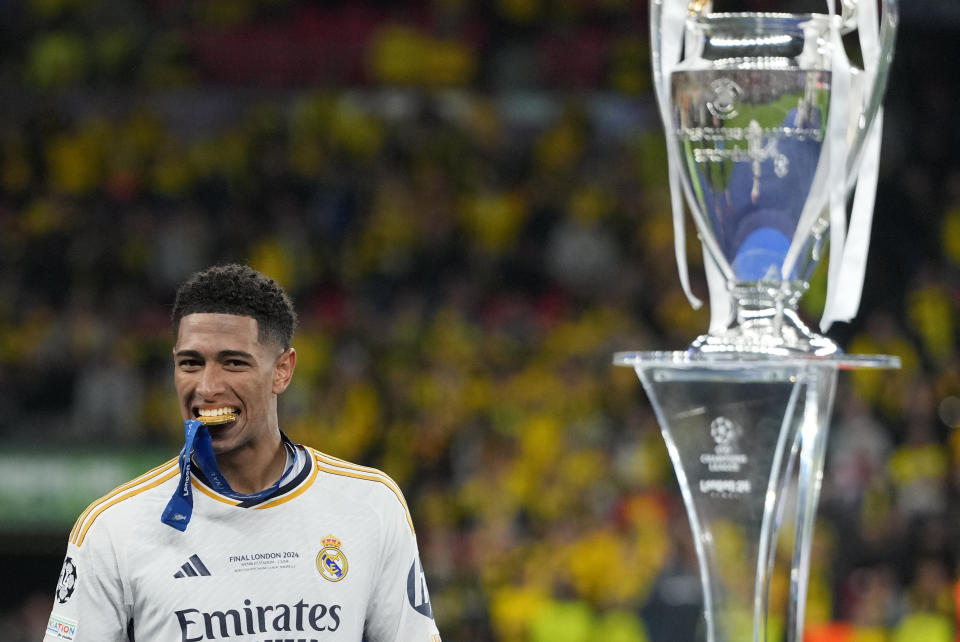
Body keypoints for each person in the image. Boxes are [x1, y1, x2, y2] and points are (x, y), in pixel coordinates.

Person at [43, 264, 441, 642]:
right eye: (190, 363)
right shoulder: (114, 528)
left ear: (282, 370)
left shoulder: (370, 504)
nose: (207, 386)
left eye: (233, 363)